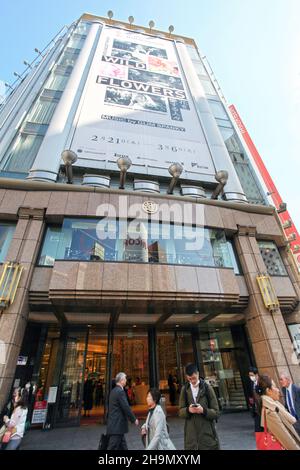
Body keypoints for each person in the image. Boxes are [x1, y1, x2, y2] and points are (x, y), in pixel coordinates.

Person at [179, 363, 220, 450]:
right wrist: (188, 410)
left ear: (198, 374)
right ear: (187, 377)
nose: (192, 381)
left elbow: (216, 412)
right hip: (191, 437)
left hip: (207, 434)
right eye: (190, 379)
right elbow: (180, 412)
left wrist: (203, 410)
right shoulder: (185, 390)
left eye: (194, 378)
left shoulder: (207, 388)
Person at [256, 374, 300, 450]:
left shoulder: (274, 405)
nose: (278, 390)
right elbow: (287, 439)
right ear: (268, 391)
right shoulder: (270, 411)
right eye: (275, 387)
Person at [106, 372, 139, 450]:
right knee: (112, 447)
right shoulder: (120, 392)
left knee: (123, 446)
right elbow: (126, 407)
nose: (126, 380)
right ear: (121, 380)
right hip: (117, 425)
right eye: (125, 379)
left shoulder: (113, 391)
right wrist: (134, 419)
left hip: (116, 425)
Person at [246, 367, 262, 432]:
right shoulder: (251, 383)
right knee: (258, 430)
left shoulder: (261, 383)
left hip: (262, 410)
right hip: (256, 411)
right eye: (249, 375)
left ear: (256, 375)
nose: (250, 377)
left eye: (252, 375)